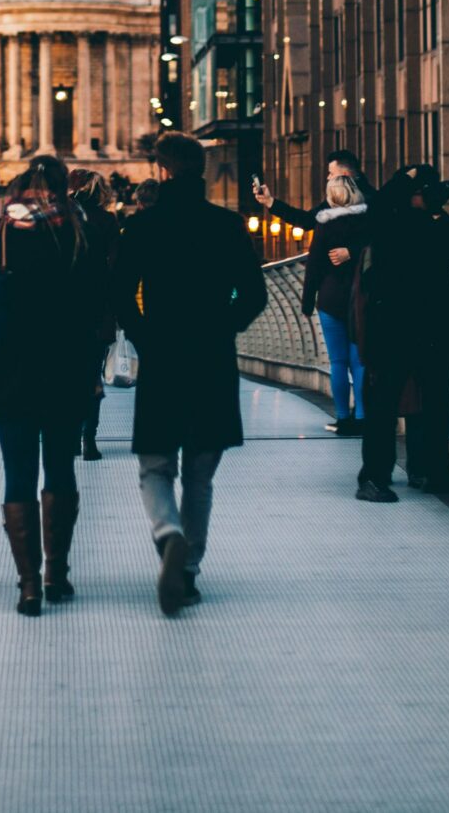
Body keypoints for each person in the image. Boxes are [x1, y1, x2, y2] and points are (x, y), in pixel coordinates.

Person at [114, 131, 268, 615]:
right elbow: (255, 294)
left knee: (155, 465)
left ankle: (168, 533)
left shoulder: (142, 226)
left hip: (163, 359)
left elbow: (119, 294)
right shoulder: (226, 225)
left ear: (162, 171)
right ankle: (189, 571)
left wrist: (145, 335)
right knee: (200, 474)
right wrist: (223, 326)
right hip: (211, 359)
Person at [0, 155, 107, 616]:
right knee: (61, 470)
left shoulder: (2, 232)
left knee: (18, 472)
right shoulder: (77, 232)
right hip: (65, 371)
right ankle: (57, 574)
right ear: (63, 189)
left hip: (8, 371)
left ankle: (28, 585)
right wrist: (92, 370)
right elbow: (97, 308)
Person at [353, 165, 449, 502]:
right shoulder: (386, 219)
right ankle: (374, 478)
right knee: (384, 405)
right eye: (423, 191)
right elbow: (378, 208)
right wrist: (406, 180)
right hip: (392, 327)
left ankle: (432, 471)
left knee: (436, 402)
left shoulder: (433, 223)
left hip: (433, 326)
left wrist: (435, 210)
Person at [298, 170, 372, 434]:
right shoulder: (368, 223)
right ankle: (362, 416)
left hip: (330, 299)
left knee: (338, 363)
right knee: (359, 360)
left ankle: (342, 417)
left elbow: (314, 266)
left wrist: (307, 303)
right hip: (360, 298)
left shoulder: (325, 224)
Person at [69, 170, 123, 461]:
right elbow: (117, 268)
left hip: (65, 313)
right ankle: (89, 438)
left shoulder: (62, 219)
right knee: (92, 375)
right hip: (98, 309)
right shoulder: (107, 221)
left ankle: (69, 432)